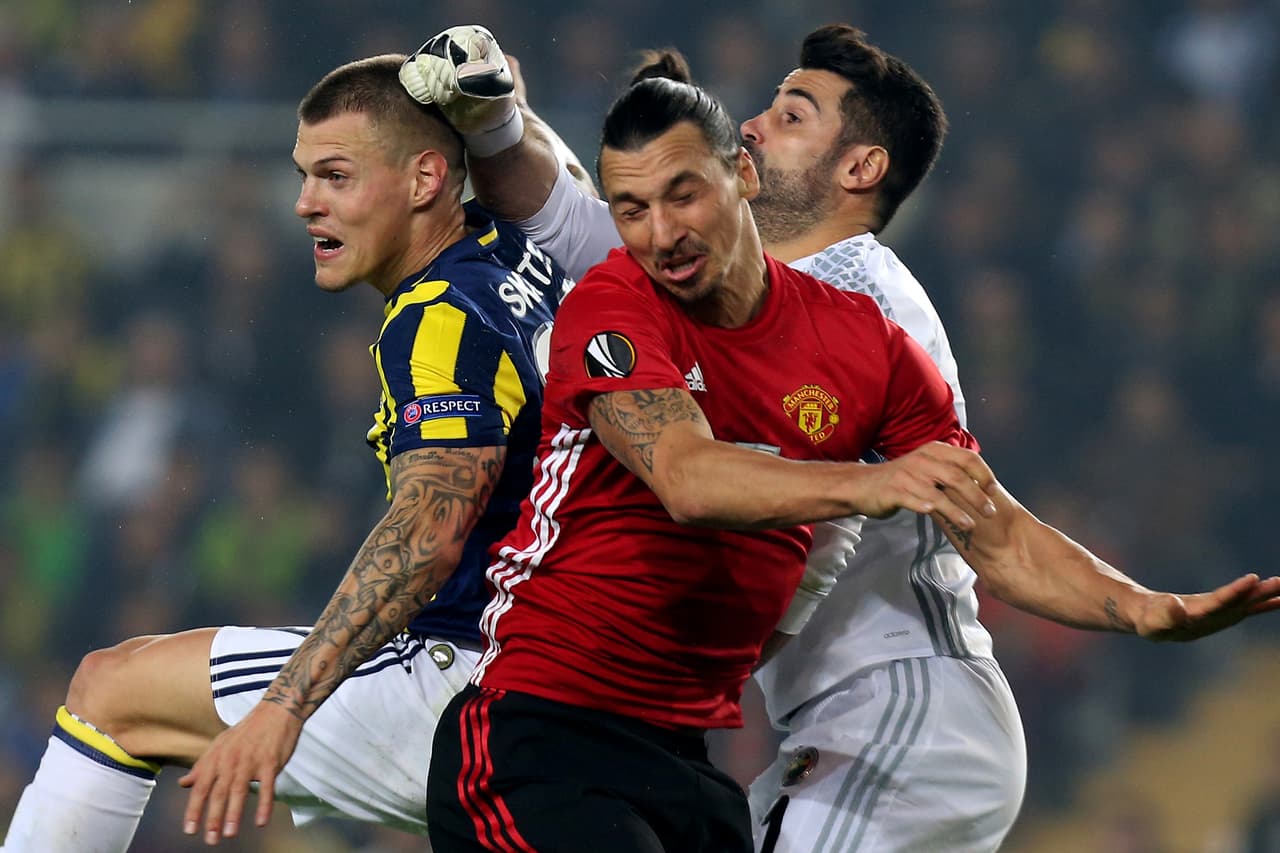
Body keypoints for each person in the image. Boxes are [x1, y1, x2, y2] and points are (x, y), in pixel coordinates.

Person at [401, 24, 1280, 852]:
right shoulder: (711, 274)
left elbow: (988, 525)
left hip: (900, 696)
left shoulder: (867, 309)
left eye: (791, 117)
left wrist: (1138, 607)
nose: (753, 123)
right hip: (813, 721)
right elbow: (577, 220)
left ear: (857, 166)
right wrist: (494, 116)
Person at [0, 54, 573, 851]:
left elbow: (427, 536)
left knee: (110, 688)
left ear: (424, 179)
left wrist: (284, 705)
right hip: (565, 672)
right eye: (304, 177)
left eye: (336, 176)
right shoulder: (517, 250)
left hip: (470, 685)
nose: (306, 203)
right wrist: (506, 113)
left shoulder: (440, 316)